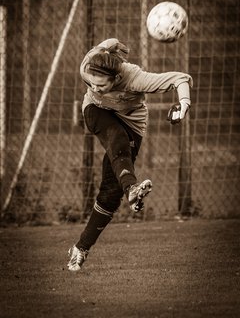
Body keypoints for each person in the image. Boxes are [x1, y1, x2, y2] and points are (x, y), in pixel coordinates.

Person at [67, 38, 193, 271]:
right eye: (92, 84)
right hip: (96, 112)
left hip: (132, 123)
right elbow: (106, 45)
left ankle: (80, 248)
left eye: (101, 85)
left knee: (110, 193)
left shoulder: (134, 77)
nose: (95, 88)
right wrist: (110, 44)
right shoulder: (87, 68)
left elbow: (180, 78)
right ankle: (132, 188)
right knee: (116, 137)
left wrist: (183, 105)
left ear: (116, 78)